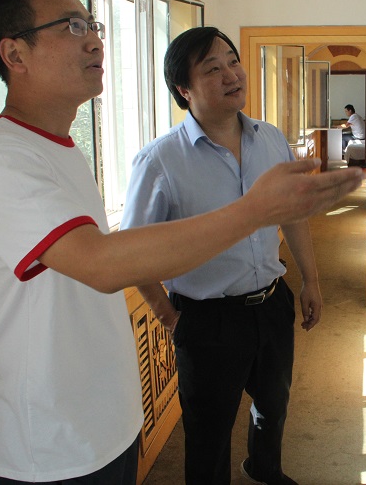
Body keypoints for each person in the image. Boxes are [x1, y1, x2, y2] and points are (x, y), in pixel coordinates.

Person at [0, 0, 364, 484]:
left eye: (94, 26)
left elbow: (101, 264)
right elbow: (103, 263)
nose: (94, 40)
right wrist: (251, 214)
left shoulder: (60, 151)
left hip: (105, 421)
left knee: (272, 404)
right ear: (15, 54)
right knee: (209, 439)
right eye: (73, 26)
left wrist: (304, 271)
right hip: (50, 444)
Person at [120, 26, 317, 485]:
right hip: (207, 320)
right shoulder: (160, 162)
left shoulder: (271, 139)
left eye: (233, 61)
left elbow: (293, 215)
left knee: (274, 405)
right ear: (183, 90)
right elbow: (132, 253)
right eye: (212, 69)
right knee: (208, 434)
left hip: (271, 303)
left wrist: (311, 279)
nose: (232, 74)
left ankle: (264, 469)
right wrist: (169, 317)